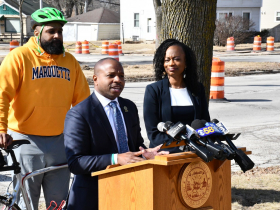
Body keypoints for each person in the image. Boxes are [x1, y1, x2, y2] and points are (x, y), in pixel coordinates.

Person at [0, 7, 90, 210]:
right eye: (51, 31)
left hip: (60, 142)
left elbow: (83, 103)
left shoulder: (70, 61)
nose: (57, 35)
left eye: (60, 31)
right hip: (25, 141)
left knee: (58, 204)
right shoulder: (19, 57)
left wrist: (88, 133)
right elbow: (2, 95)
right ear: (37, 32)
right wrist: (1, 129)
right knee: (25, 204)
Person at [64, 57, 168, 210]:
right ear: (95, 79)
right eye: (111, 75)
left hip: (130, 190)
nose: (118, 80)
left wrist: (144, 154)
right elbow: (76, 162)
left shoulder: (129, 107)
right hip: (94, 197)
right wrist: (115, 159)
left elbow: (135, 145)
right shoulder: (79, 114)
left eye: (121, 76)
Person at [143, 39, 210, 153]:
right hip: (165, 153)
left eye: (177, 59)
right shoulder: (153, 90)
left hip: (196, 152)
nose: (171, 63)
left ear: (186, 62)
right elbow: (153, 133)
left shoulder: (197, 89)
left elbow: (205, 123)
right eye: (167, 60)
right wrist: (181, 147)